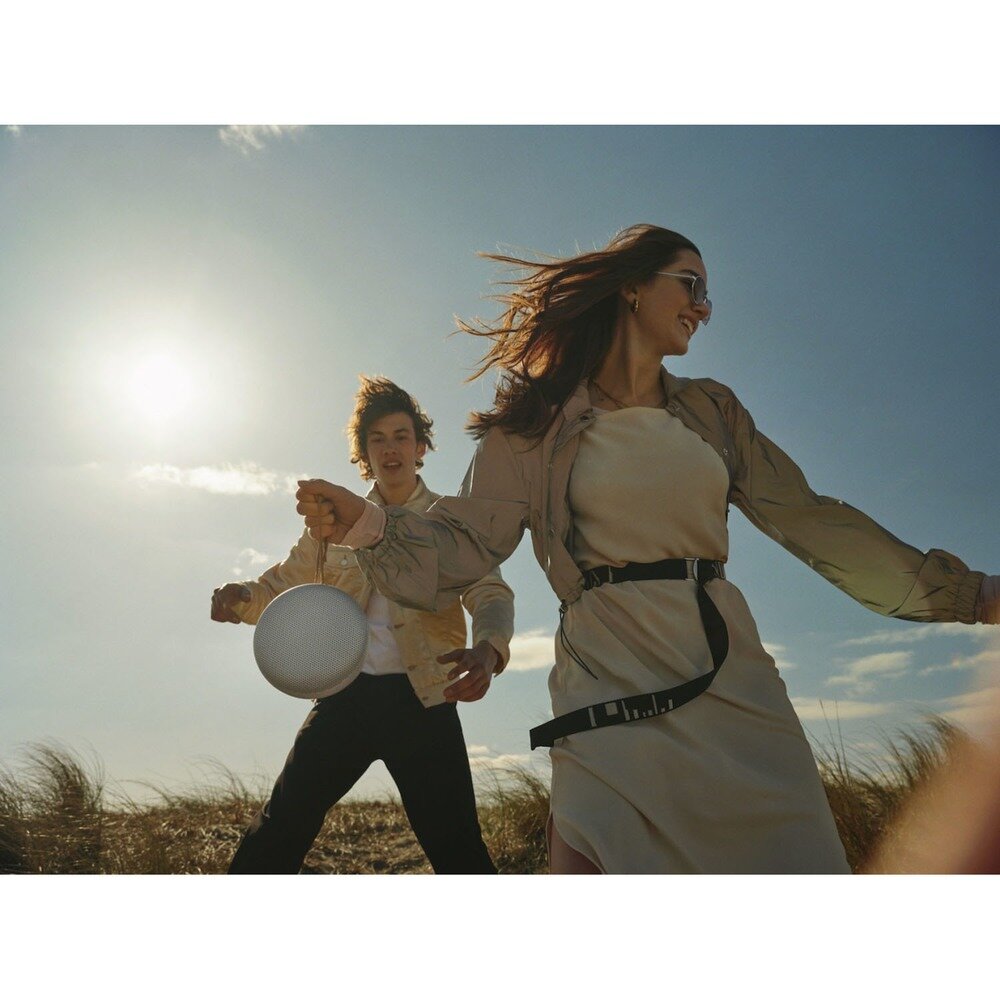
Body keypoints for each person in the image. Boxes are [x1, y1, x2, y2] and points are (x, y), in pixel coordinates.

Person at [294, 225, 1000, 875]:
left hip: (731, 678)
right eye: (690, 284)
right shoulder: (533, 425)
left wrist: (970, 596)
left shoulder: (713, 411)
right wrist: (370, 527)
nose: (704, 307)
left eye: (708, 293)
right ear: (633, 287)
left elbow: (810, 521)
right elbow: (466, 545)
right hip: (606, 680)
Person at [213, 376, 514, 874]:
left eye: (401, 436)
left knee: (459, 848)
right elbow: (281, 585)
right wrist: (241, 597)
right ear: (365, 454)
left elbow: (490, 593)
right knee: (280, 827)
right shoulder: (331, 523)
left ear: (420, 448)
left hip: (425, 699)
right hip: (344, 696)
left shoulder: (450, 524)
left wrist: (488, 650)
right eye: (378, 439)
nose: (390, 448)